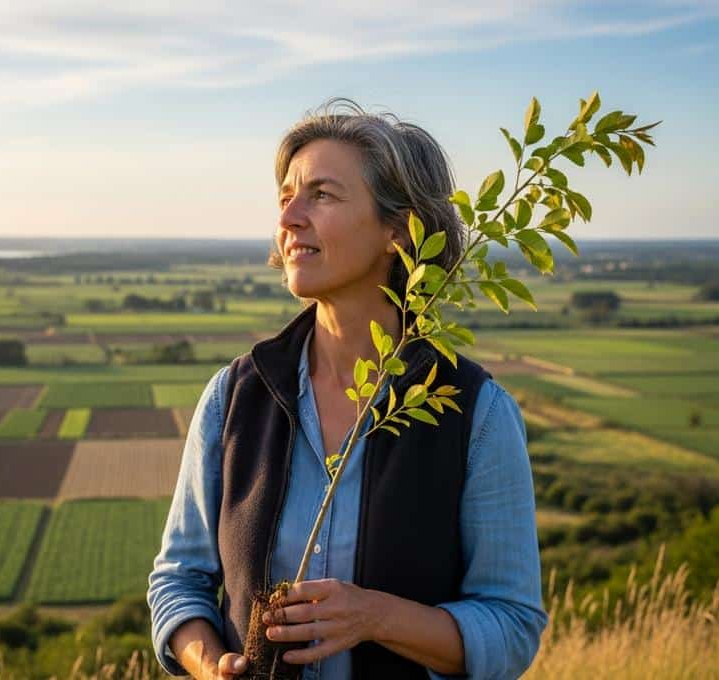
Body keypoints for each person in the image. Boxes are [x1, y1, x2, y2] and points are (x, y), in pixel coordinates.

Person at [147, 98, 547, 680]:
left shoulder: (475, 413)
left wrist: (376, 617)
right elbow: (178, 581)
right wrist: (211, 666)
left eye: (322, 195)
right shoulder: (232, 398)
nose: (289, 217)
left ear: (398, 229)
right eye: (286, 197)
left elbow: (511, 627)